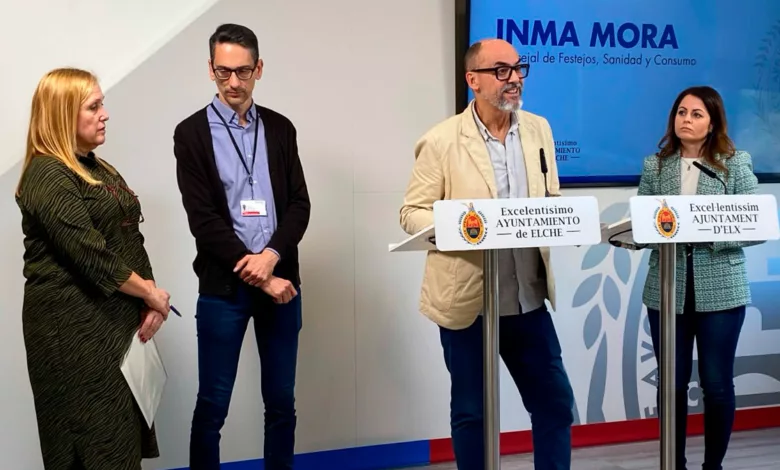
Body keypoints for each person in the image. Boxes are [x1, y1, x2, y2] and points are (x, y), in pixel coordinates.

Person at [400, 38, 574, 469]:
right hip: (467, 303)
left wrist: (563, 217)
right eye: (500, 70)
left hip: (526, 298)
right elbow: (411, 213)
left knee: (554, 404)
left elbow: (550, 197)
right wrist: (460, 226)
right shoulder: (442, 140)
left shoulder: (538, 129)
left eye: (517, 68)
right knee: (472, 413)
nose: (514, 78)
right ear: (472, 80)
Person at [15, 67, 172, 470]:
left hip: (113, 324)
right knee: (94, 445)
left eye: (103, 104)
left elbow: (129, 237)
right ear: (63, 114)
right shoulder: (47, 173)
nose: (105, 114)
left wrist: (149, 297)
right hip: (73, 335)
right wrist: (151, 295)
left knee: (119, 443)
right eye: (93, 106)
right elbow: (93, 257)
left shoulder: (97, 168)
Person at [172, 23, 310, 470]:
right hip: (223, 289)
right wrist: (257, 272)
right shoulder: (191, 133)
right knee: (212, 405)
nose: (233, 82)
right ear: (210, 69)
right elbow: (203, 220)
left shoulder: (281, 129)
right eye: (223, 72)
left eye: (243, 71)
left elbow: (299, 204)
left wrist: (270, 259)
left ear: (259, 69)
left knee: (281, 403)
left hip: (282, 284)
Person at [637, 85, 762, 470]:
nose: (686, 120)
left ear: (712, 123)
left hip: (722, 289)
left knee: (717, 384)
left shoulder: (735, 163)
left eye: (696, 114)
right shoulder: (655, 166)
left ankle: (713, 467)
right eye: (681, 112)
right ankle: (673, 464)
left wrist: (708, 233)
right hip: (666, 289)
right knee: (671, 385)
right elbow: (643, 223)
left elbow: (756, 225)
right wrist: (639, 232)